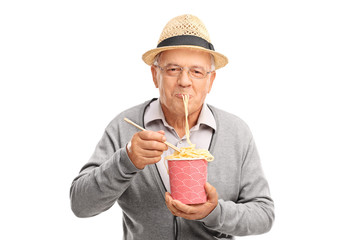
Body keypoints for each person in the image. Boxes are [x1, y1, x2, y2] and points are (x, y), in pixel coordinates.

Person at [70, 14, 274, 239]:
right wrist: (127, 159)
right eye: (173, 69)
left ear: (211, 81)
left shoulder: (236, 133)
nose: (184, 81)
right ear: (155, 75)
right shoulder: (124, 126)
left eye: (196, 72)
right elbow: (81, 205)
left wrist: (214, 212)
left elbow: (263, 215)